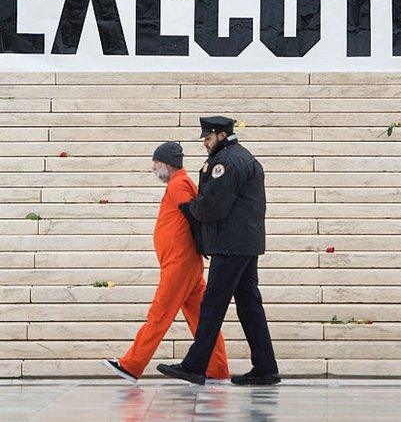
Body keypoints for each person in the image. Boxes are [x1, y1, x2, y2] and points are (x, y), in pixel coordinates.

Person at [157, 116, 280, 387]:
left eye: (208, 137)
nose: (204, 142)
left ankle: (195, 365)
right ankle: (265, 367)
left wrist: (190, 209)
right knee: (249, 306)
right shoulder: (241, 156)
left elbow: (212, 205)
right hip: (244, 243)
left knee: (212, 304)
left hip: (231, 244)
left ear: (221, 135)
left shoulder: (226, 162)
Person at [103, 142, 230, 384]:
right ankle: (217, 369)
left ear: (166, 164)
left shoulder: (179, 184)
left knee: (159, 315)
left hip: (179, 266)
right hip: (184, 265)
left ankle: (131, 365)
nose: (153, 169)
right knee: (203, 320)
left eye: (155, 164)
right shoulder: (179, 183)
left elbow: (193, 214)